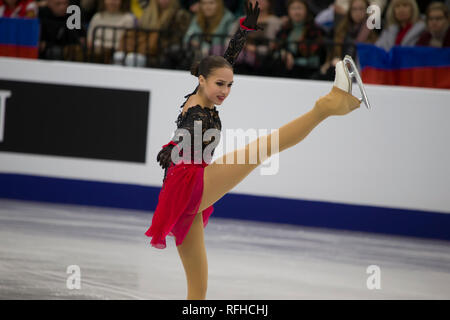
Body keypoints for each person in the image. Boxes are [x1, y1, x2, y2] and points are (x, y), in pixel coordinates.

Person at [144, 0, 363, 300]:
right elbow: (187, 136)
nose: (225, 91)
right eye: (220, 84)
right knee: (265, 147)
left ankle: (333, 104)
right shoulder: (197, 111)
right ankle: (329, 105)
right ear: (201, 80)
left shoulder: (205, 89)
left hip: (186, 185)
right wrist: (175, 150)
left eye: (230, 85)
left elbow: (227, 58)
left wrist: (243, 30)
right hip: (189, 182)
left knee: (197, 289)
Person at [315, 0, 378, 80]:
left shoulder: (373, 30)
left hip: (363, 71)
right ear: (350, 11)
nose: (357, 12)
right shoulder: (342, 29)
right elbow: (334, 52)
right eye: (354, 9)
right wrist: (331, 62)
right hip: (341, 68)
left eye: (361, 9)